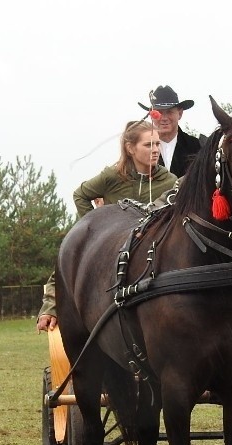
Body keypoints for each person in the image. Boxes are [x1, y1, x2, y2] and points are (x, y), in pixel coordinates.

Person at [37, 120, 178, 332]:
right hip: (112, 252)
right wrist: (96, 226)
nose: (156, 150)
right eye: (148, 145)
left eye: (157, 144)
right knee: (74, 254)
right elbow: (80, 195)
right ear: (130, 148)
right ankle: (50, 309)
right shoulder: (111, 177)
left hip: (152, 256)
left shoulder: (170, 182)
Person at [138, 85, 203, 178]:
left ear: (180, 114)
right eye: (159, 112)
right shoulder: (141, 148)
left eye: (169, 112)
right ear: (151, 115)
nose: (164, 118)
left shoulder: (197, 146)